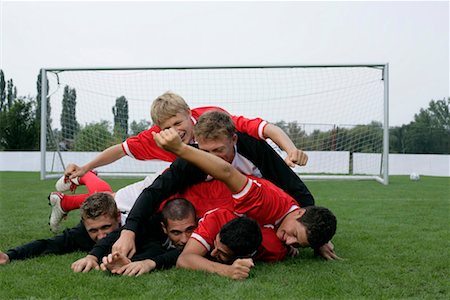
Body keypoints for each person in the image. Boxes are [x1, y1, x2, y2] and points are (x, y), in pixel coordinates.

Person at [53, 91, 309, 230]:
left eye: (179, 122)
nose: (175, 131)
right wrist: (87, 167)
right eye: (168, 127)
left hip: (241, 186)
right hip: (187, 181)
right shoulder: (158, 138)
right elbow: (120, 149)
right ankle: (69, 203)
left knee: (260, 206)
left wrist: (291, 150)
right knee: (127, 199)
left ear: (189, 114)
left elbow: (265, 129)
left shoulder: (218, 123)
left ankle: (68, 201)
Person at [112, 110, 315, 259]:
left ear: (234, 139)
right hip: (189, 199)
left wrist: (314, 236)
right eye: (205, 152)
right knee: (122, 201)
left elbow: (296, 189)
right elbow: (155, 192)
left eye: (219, 150)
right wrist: (129, 232)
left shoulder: (254, 149)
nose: (212, 159)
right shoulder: (191, 161)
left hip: (228, 203)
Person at [0, 193, 121, 268]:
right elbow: (48, 244)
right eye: (93, 230)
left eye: (106, 227)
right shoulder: (81, 233)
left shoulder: (134, 226)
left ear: (118, 217)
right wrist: (9, 256)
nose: (101, 236)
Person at [176, 208, 288, 280]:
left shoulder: (274, 248)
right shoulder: (215, 221)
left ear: (246, 256)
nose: (213, 253)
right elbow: (183, 259)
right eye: (215, 244)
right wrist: (226, 271)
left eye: (223, 253)